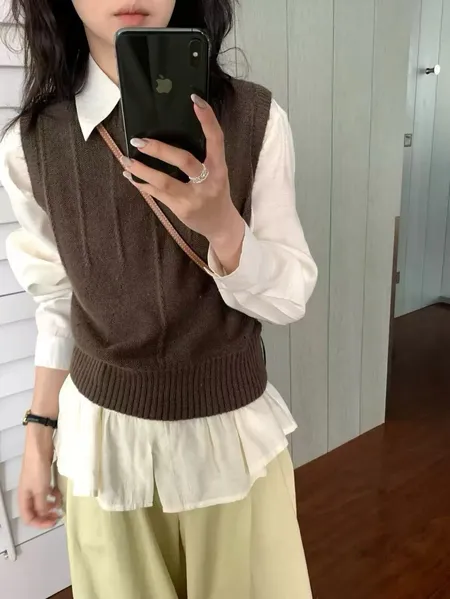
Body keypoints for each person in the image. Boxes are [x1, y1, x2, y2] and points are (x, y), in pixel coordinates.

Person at [0, 1, 318, 597]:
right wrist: (39, 435)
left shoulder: (255, 118)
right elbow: (58, 299)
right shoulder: (31, 145)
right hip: (103, 452)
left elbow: (290, 298)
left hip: (230, 445)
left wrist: (223, 226)